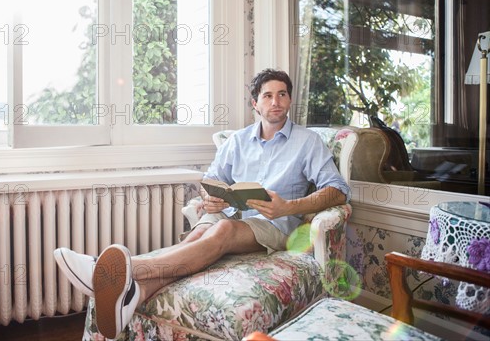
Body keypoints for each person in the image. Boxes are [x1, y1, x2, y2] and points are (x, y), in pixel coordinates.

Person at [54, 68, 350, 339]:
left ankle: (113, 271)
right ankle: (135, 294)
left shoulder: (307, 141)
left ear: (289, 99)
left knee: (222, 231)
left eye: (282, 94)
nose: (276, 102)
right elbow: (211, 178)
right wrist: (211, 197)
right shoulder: (237, 140)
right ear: (255, 104)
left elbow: (338, 191)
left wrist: (288, 206)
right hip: (231, 213)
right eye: (268, 96)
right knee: (199, 234)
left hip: (275, 224)